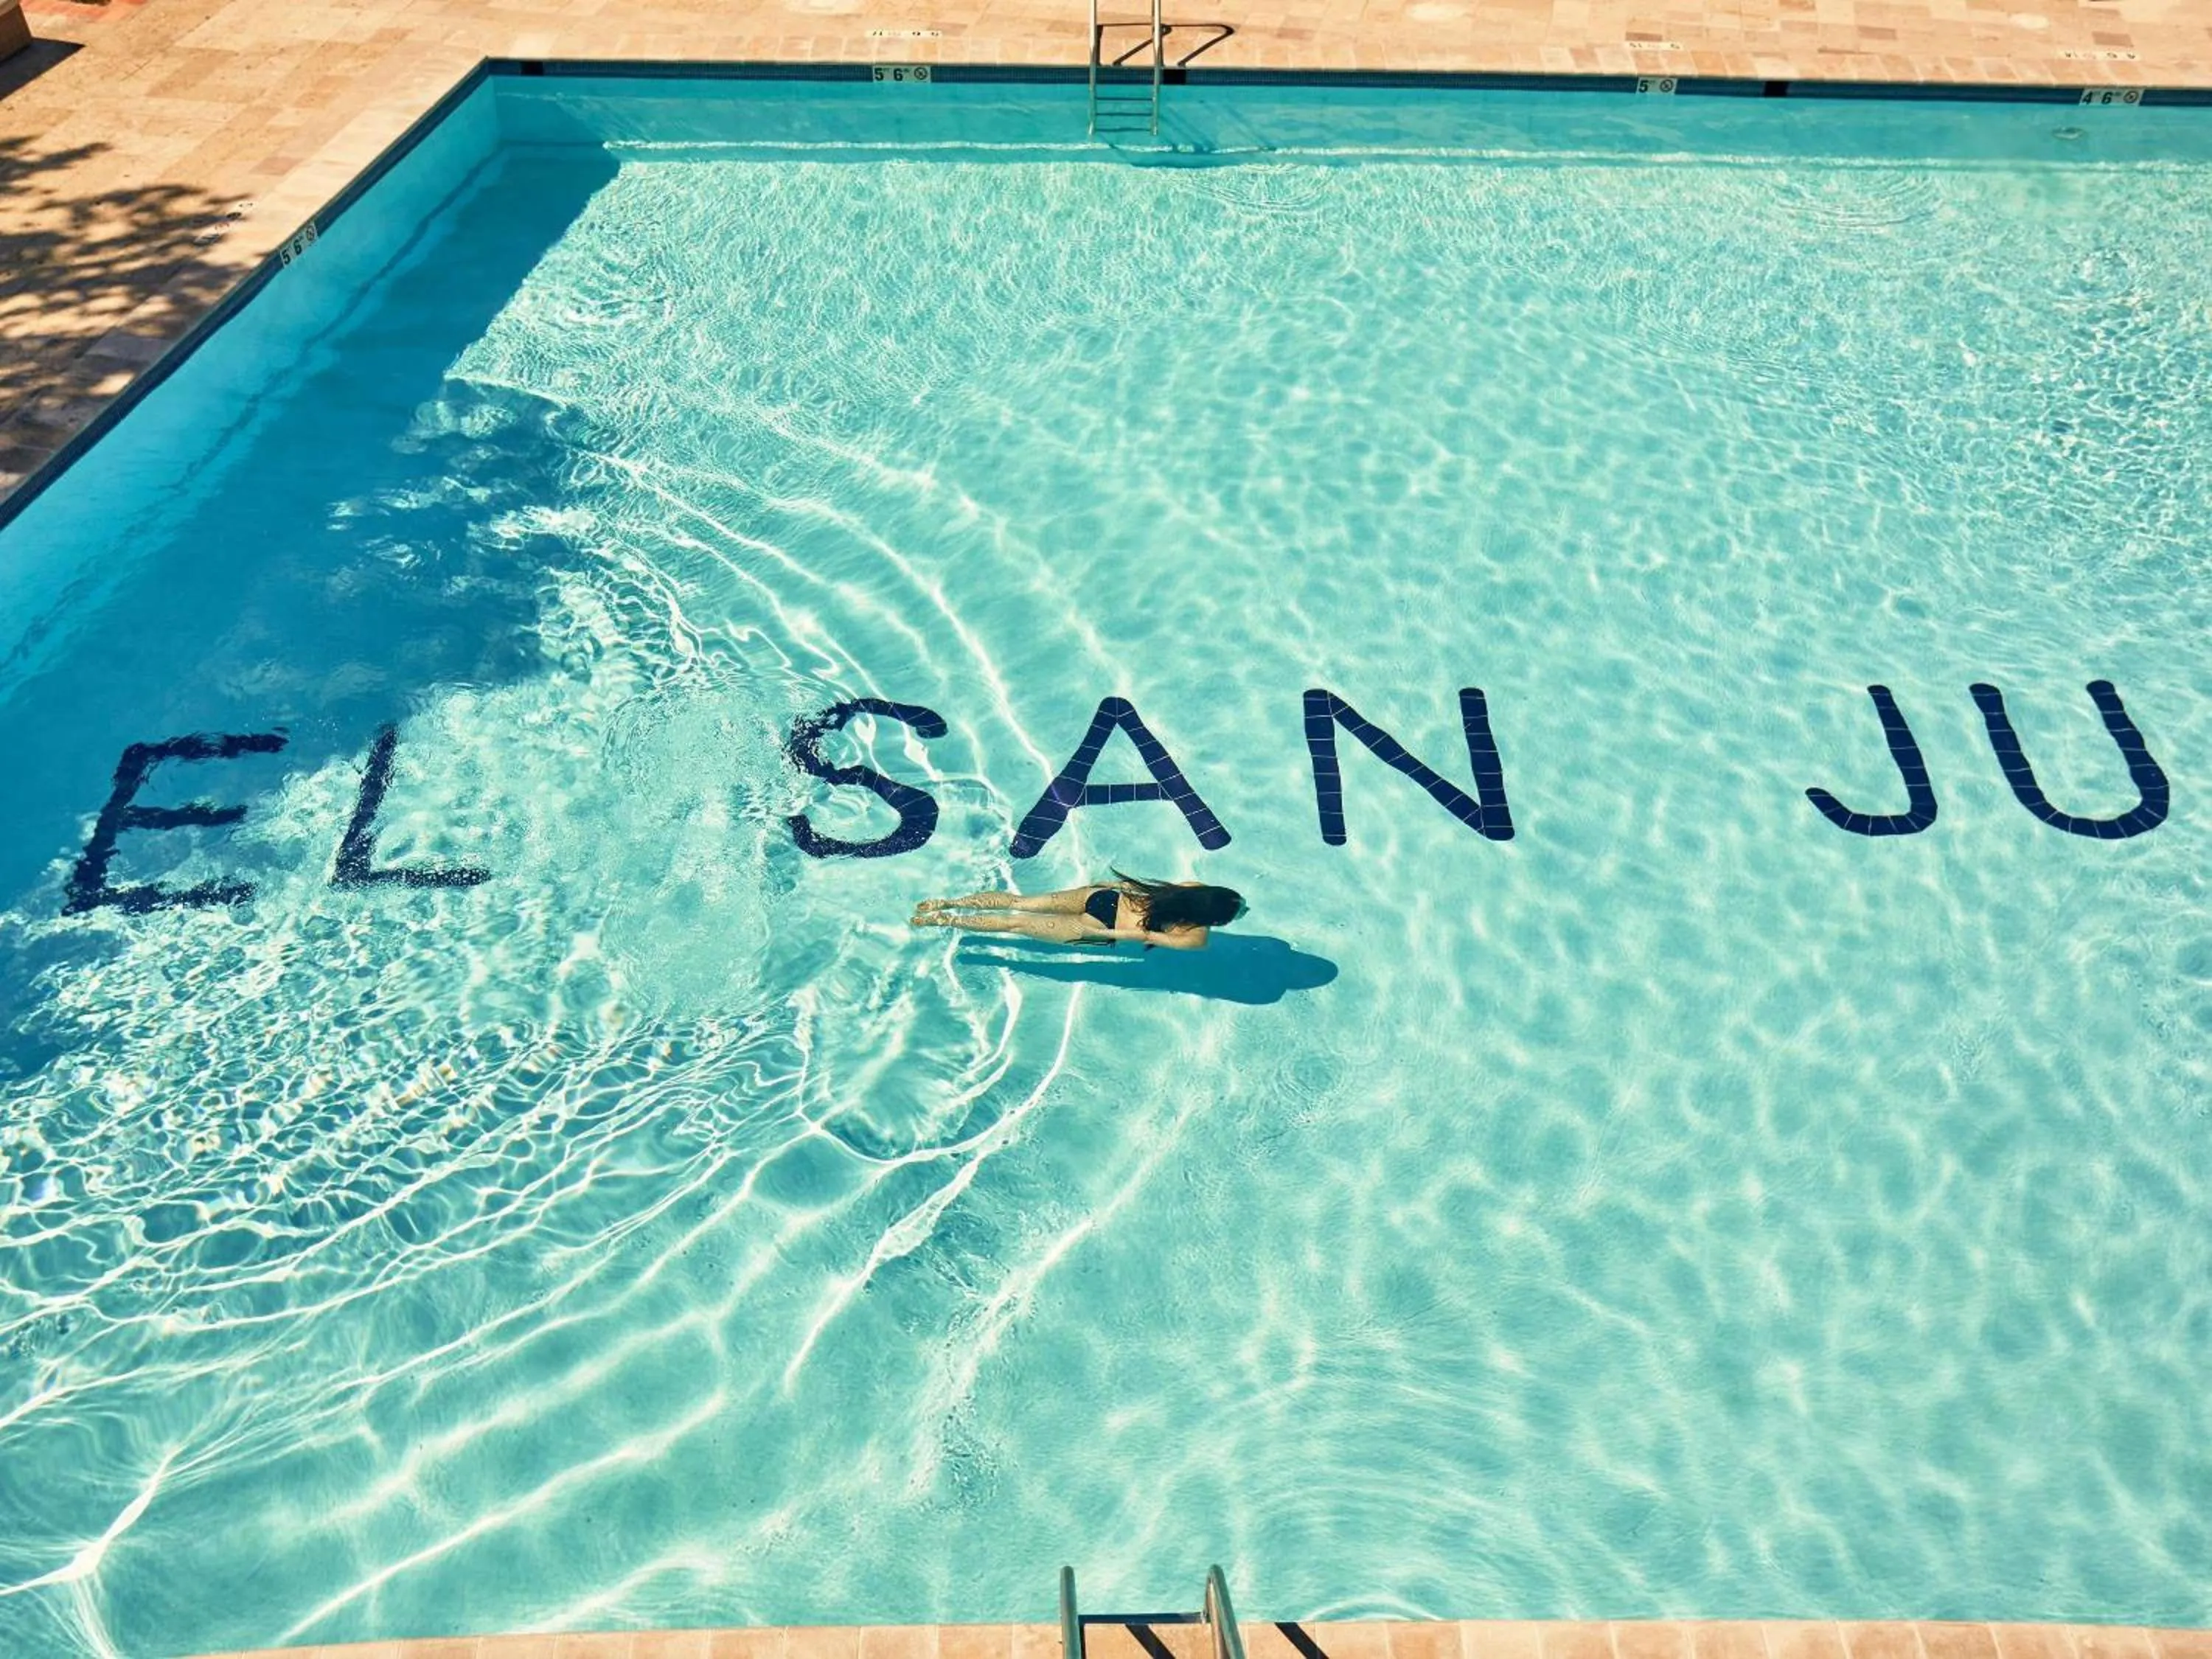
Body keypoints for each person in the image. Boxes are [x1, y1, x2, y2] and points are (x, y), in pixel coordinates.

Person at [911, 871, 1246, 951]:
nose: (1243, 910)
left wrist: (1102, 888)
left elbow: (1149, 894)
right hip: (1100, 924)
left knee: (1019, 903)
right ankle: (944, 920)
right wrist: (1105, 934)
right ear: (1213, 919)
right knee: (1015, 926)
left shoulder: (1190, 887)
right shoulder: (1196, 936)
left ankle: (944, 903)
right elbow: (1145, 934)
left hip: (1102, 897)